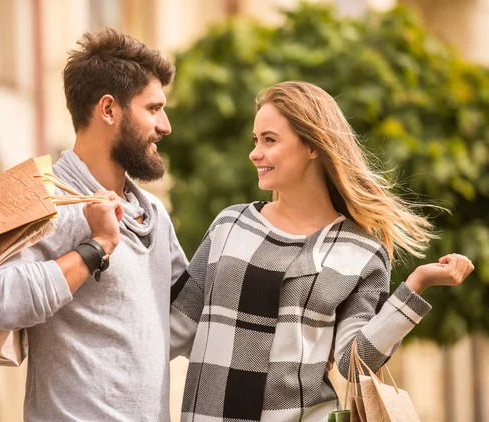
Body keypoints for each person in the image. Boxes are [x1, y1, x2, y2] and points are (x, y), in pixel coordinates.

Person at [169, 81, 474, 422]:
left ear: (312, 146)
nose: (255, 153)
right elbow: (175, 327)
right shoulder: (231, 225)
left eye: (270, 140)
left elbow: (354, 361)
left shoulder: (361, 251)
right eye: (256, 141)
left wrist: (417, 286)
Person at [0, 29, 187, 421]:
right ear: (108, 110)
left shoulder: (155, 217)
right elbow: (2, 302)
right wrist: (96, 247)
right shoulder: (46, 203)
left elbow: (188, 322)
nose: (165, 126)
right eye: (153, 108)